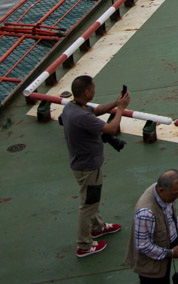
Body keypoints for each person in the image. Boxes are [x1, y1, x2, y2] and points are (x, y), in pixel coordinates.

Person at [62, 75, 129, 258]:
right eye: (92, 88)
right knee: (88, 205)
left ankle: (98, 227)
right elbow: (111, 129)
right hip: (88, 167)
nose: (94, 90)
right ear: (86, 92)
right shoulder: (81, 115)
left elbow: (97, 111)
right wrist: (121, 109)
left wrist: (115, 102)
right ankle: (84, 245)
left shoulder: (72, 107)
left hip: (82, 164)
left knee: (91, 200)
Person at [125, 169, 178, 284]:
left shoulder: (166, 194)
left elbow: (171, 215)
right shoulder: (146, 213)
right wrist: (170, 253)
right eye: (175, 194)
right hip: (151, 269)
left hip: (164, 257)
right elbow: (143, 246)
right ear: (161, 190)